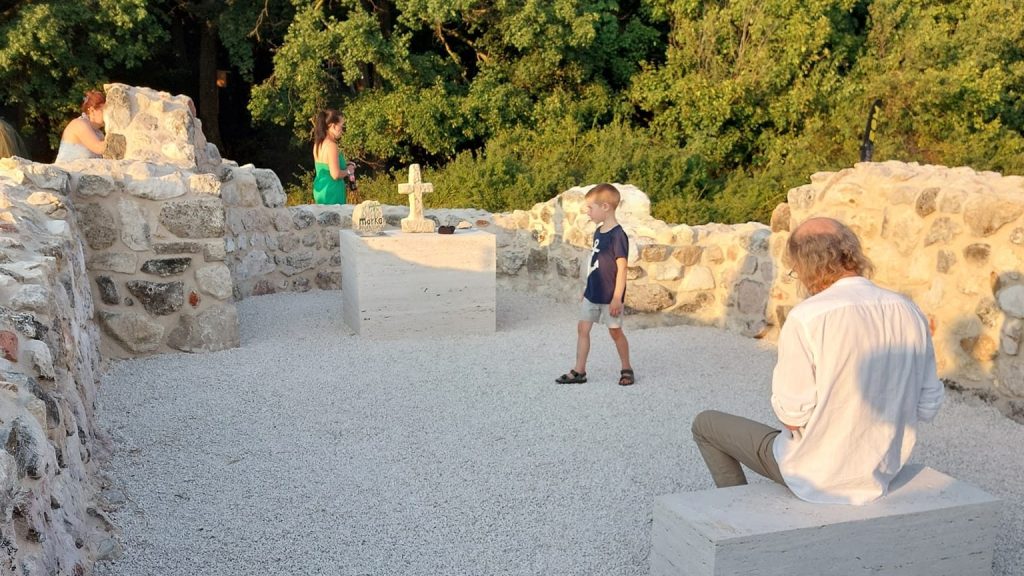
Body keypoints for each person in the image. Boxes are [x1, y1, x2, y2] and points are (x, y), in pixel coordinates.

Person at [691, 217, 945, 505]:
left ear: (804, 266)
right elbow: (928, 405)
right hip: (882, 471)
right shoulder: (907, 310)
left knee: (705, 425)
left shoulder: (808, 317)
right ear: (853, 252)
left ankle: (734, 514)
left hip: (817, 476)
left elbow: (792, 415)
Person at [555, 183, 635, 386]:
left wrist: (618, 297)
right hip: (592, 292)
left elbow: (622, 268)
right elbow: (595, 262)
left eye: (591, 208)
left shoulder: (618, 236)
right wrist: (586, 288)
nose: (587, 212)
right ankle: (579, 370)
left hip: (610, 296)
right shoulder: (598, 232)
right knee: (582, 329)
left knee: (615, 332)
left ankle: (626, 368)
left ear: (606, 207)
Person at [311, 109, 356, 204]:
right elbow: (335, 174)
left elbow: (328, 165)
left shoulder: (318, 144)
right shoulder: (331, 146)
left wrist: (345, 164)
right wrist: (349, 171)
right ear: (332, 126)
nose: (342, 130)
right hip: (332, 192)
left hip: (320, 191)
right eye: (341, 126)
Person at [55, 90, 106, 162]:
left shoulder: (99, 133)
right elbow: (99, 148)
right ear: (92, 110)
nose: (108, 114)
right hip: (66, 171)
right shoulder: (79, 124)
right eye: (104, 110)